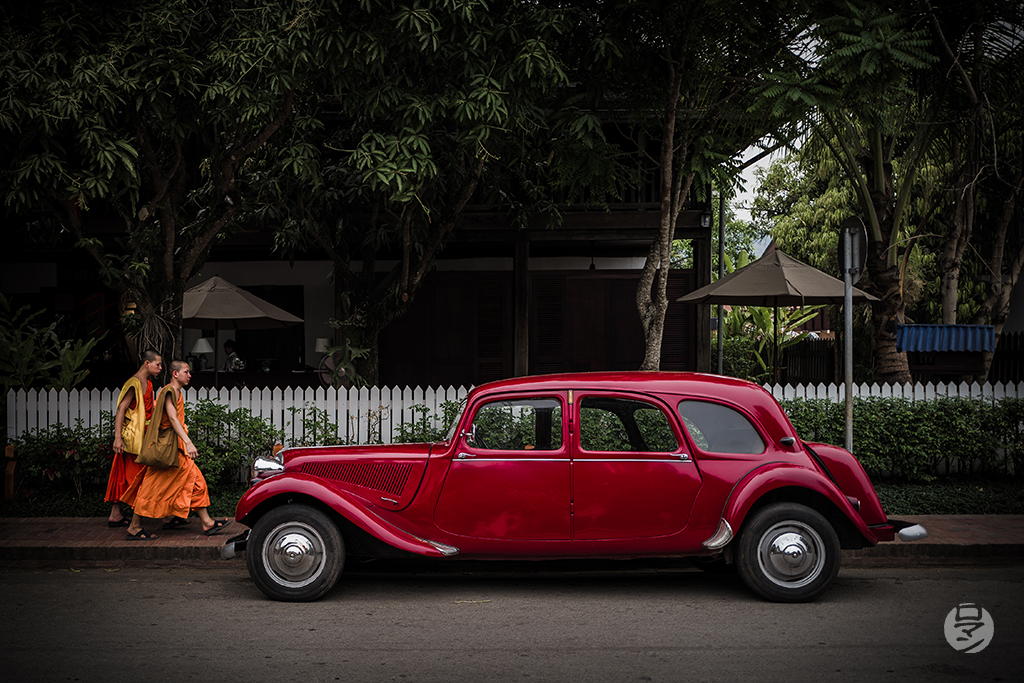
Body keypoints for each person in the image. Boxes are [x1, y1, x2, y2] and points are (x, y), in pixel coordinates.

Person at [121, 360, 229, 540]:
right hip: (168, 451)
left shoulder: (176, 392)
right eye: (186, 372)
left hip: (175, 450)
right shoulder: (169, 391)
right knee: (151, 488)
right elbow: (172, 419)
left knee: (196, 481)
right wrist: (188, 442)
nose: (189, 375)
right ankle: (134, 526)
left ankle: (206, 522)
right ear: (175, 374)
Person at [105, 350, 162, 527]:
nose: (160, 368)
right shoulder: (134, 383)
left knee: (126, 473)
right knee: (134, 474)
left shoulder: (149, 384)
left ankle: (116, 514)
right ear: (147, 363)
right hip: (133, 438)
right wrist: (117, 438)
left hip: (145, 436)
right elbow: (121, 409)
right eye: (157, 364)